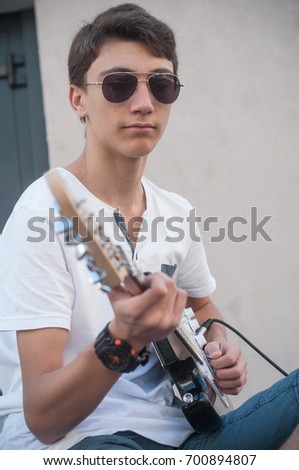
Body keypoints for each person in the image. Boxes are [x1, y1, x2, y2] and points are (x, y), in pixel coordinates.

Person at [0, 3, 298, 450]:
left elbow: (204, 306)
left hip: (195, 436)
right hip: (83, 446)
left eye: (161, 84)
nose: (144, 103)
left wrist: (220, 349)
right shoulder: (41, 211)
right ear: (77, 99)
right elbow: (43, 418)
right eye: (119, 85)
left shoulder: (176, 211)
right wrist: (121, 339)